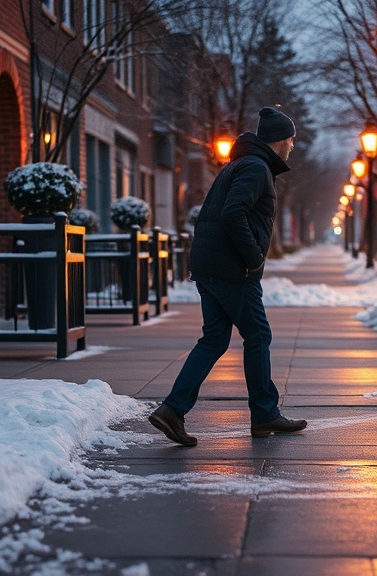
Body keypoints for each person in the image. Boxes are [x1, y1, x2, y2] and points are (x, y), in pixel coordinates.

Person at [148, 106, 308, 447]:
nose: (293, 145)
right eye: (291, 139)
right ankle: (264, 414)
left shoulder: (241, 164)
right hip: (231, 269)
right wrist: (252, 257)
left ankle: (172, 410)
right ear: (280, 140)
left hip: (210, 267)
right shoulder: (255, 166)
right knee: (258, 335)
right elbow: (233, 212)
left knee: (215, 339)